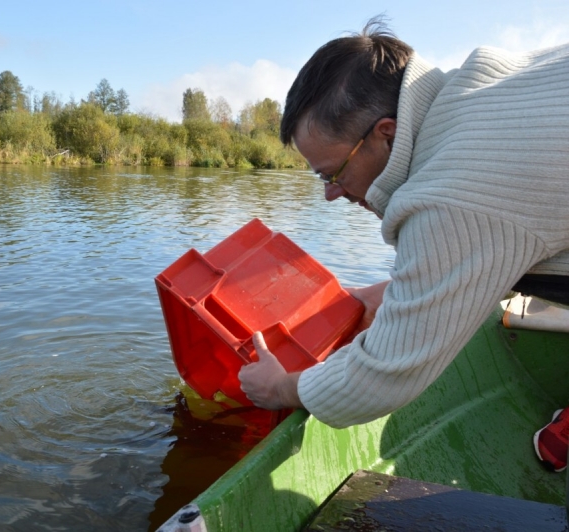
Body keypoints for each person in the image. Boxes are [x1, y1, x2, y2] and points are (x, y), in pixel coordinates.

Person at [237, 17, 569, 472]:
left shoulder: (452, 191)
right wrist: (392, 293)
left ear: (386, 133)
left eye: (331, 174)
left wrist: (282, 387)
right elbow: (513, 226)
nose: (331, 193)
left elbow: (386, 374)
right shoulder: (480, 87)